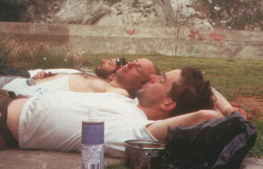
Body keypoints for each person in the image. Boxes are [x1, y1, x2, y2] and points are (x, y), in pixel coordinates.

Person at [0, 66, 241, 156]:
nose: (154, 76)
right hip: (8, 99)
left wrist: (229, 111)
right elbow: (210, 94)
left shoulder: (134, 128)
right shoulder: (127, 101)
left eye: (162, 79)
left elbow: (207, 117)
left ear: (168, 105)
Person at [1, 58, 157, 98]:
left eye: (137, 69)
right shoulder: (105, 82)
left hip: (21, 94)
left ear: (138, 86)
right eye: (134, 61)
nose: (129, 64)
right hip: (23, 84)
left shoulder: (118, 94)